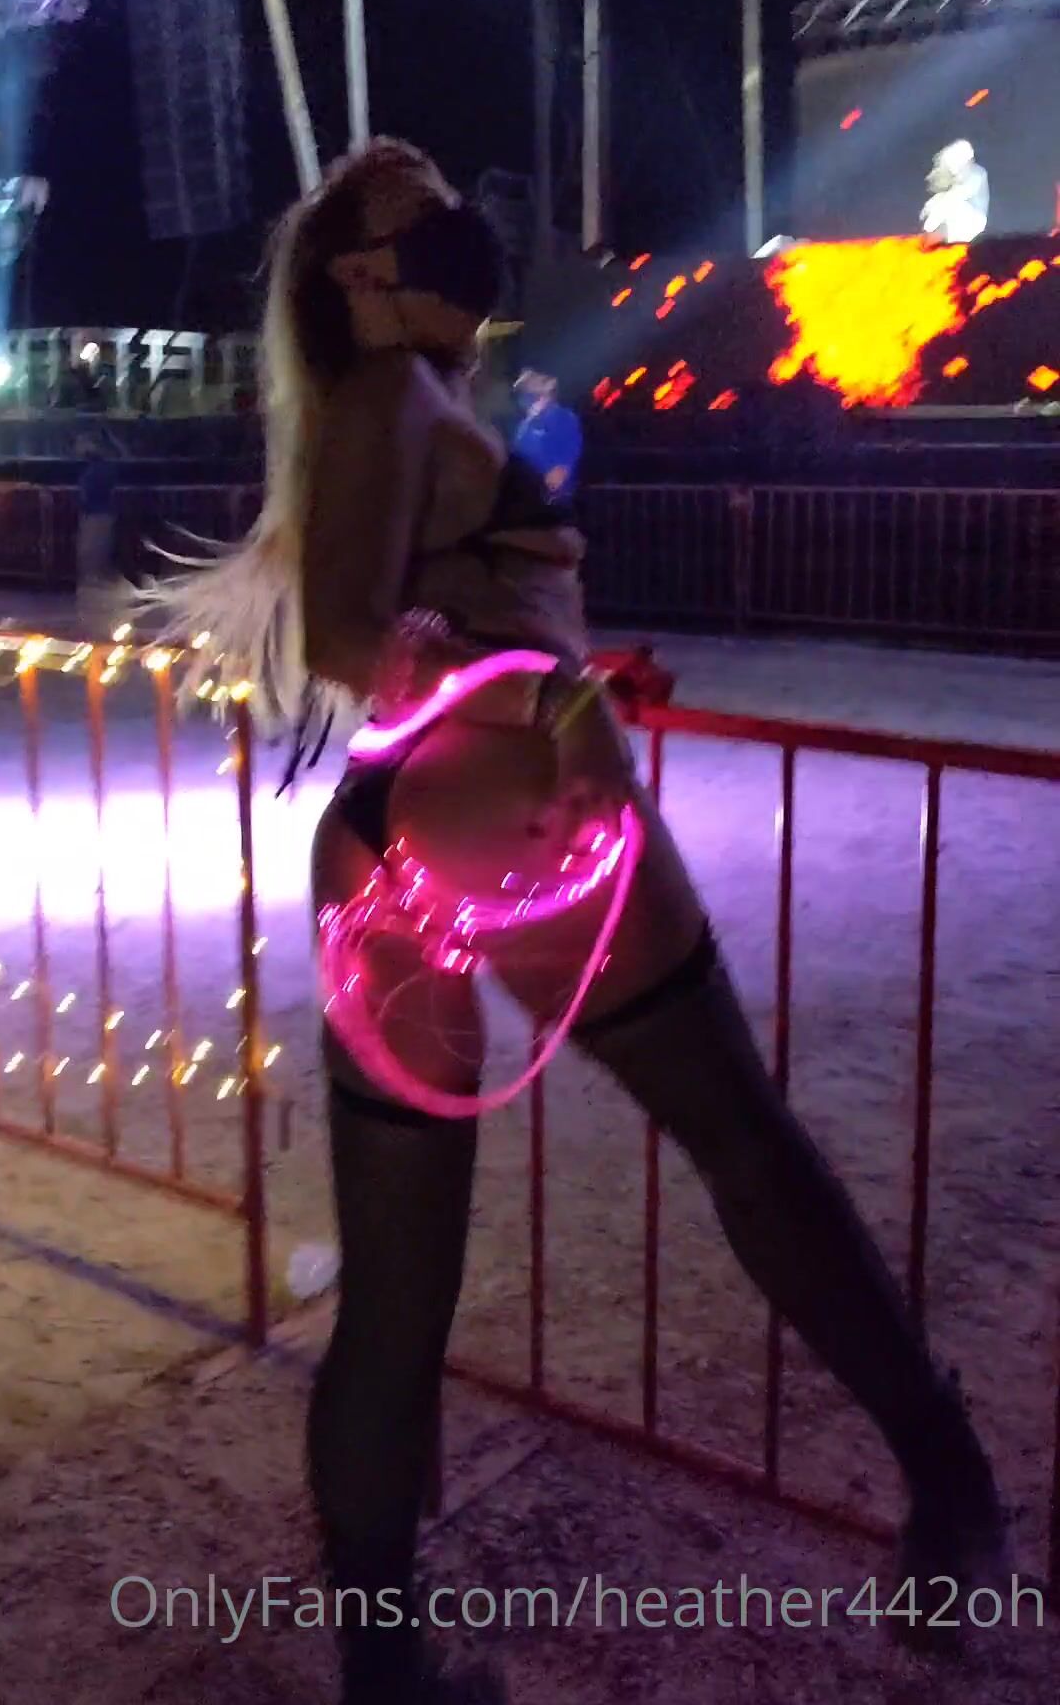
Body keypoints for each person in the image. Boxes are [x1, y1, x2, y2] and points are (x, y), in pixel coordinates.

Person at [145, 140, 1004, 1703]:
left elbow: (375, 628)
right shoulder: (394, 399)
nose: (460, 228)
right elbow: (348, 638)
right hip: (519, 820)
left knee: (397, 1300)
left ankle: (385, 1670)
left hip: (385, 853)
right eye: (423, 214)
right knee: (745, 1142)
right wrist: (551, 695)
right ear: (362, 275)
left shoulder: (397, 408)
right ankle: (951, 1483)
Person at [510, 367, 582, 501]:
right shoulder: (524, 425)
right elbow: (518, 453)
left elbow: (558, 476)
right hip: (525, 498)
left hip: (554, 501)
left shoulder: (565, 418)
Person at [75, 431, 119, 616]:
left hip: (96, 516)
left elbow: (90, 495)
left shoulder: (97, 470)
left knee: (92, 556)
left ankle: (97, 599)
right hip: (99, 515)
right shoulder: (98, 469)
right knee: (94, 556)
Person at [920, 140, 989, 243]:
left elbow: (953, 199)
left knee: (948, 207)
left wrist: (929, 227)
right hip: (960, 221)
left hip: (971, 224)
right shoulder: (961, 176)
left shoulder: (976, 175)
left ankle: (934, 242)